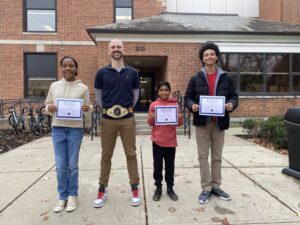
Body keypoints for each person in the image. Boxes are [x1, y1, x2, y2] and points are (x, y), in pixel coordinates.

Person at [184, 42, 238, 204]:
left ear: (216, 57)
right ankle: (206, 188)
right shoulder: (196, 77)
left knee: (217, 156)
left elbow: (234, 97)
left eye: (212, 54)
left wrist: (231, 105)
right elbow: (187, 97)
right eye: (206, 54)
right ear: (202, 58)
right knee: (203, 156)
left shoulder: (226, 77)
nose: (209, 56)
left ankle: (216, 186)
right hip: (202, 122)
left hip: (219, 123)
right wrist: (191, 106)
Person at [93, 39, 141, 208]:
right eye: (113, 47)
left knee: (131, 154)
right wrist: (108, 109)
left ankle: (135, 187)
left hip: (127, 119)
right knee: (106, 155)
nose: (116, 49)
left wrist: (126, 109)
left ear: (123, 49)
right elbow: (98, 97)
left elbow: (135, 95)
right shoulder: (101, 73)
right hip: (108, 120)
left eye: (119, 46)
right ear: (109, 50)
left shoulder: (133, 73)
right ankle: (102, 188)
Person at [45, 56, 92, 212]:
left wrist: (88, 110)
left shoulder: (83, 88)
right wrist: (49, 109)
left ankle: (72, 195)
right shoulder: (54, 86)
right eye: (64, 66)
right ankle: (62, 197)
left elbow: (88, 107)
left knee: (72, 165)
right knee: (60, 166)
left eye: (71, 66)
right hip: (58, 129)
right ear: (61, 68)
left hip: (75, 130)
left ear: (76, 68)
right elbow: (47, 105)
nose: (67, 68)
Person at [147, 81, 183, 201]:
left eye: (166, 90)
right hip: (157, 141)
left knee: (170, 167)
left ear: (169, 91)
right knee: (157, 166)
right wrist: (150, 117)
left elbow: (178, 124)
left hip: (170, 141)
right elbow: (151, 123)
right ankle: (158, 188)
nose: (164, 92)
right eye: (161, 90)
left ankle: (170, 188)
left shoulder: (175, 104)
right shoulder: (153, 104)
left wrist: (180, 118)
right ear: (158, 92)